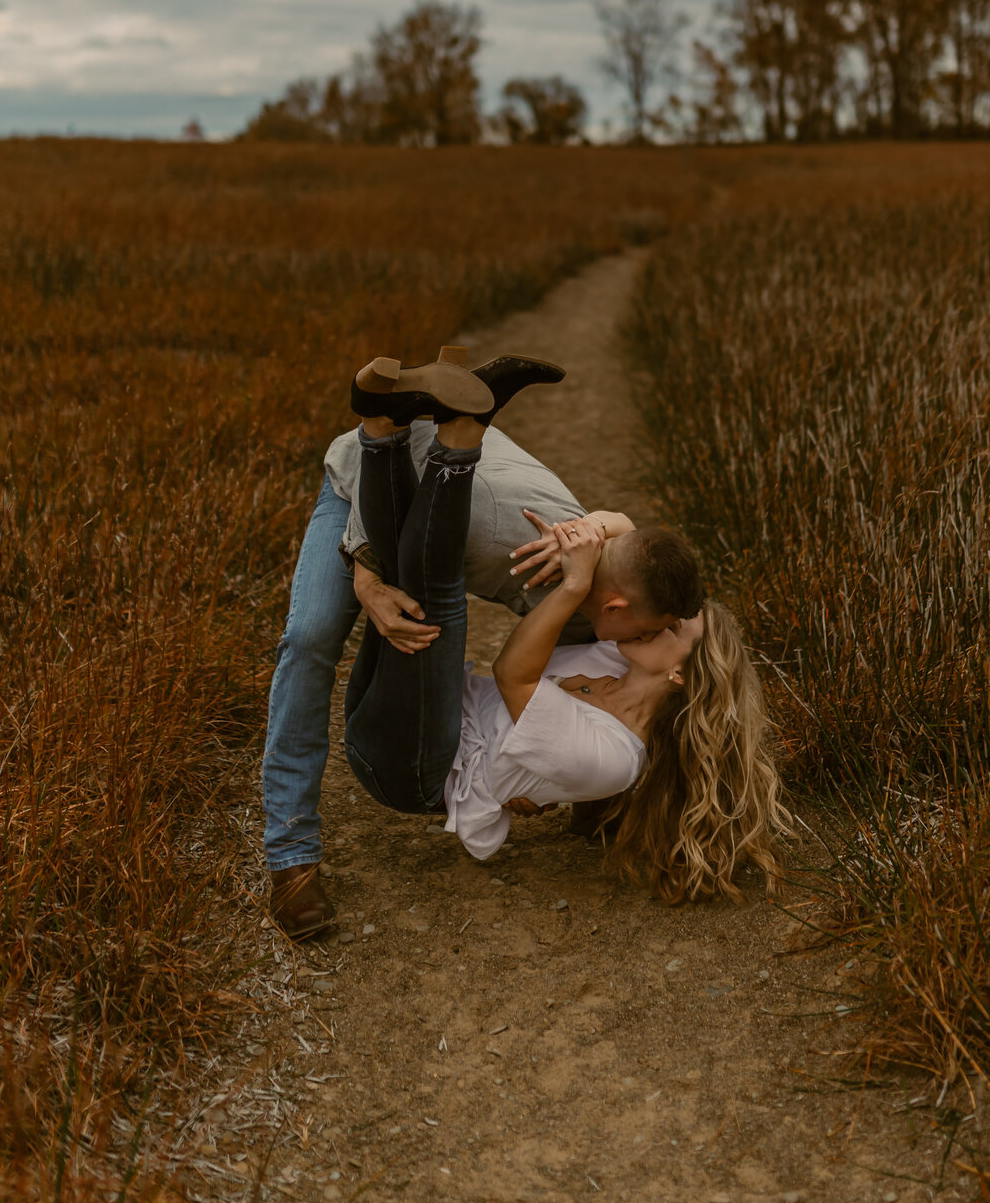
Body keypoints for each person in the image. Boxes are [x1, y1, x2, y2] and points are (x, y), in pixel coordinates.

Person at [263, 348, 703, 938]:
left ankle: (464, 418)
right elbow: (388, 528)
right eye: (649, 628)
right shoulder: (508, 541)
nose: (647, 639)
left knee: (576, 634)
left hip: (449, 490)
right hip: (362, 493)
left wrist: (536, 773)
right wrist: (368, 580)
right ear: (618, 606)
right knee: (312, 638)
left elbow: (630, 533)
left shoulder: (599, 572)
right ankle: (290, 855)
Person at [341, 367, 788, 902]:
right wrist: (596, 530)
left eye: (672, 629)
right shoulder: (613, 659)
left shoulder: (616, 760)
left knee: (435, 605)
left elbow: (512, 675)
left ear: (679, 671)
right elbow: (640, 554)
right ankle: (381, 425)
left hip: (415, 769)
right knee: (407, 578)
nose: (657, 625)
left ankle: (458, 435)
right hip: (411, 717)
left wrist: (576, 583)